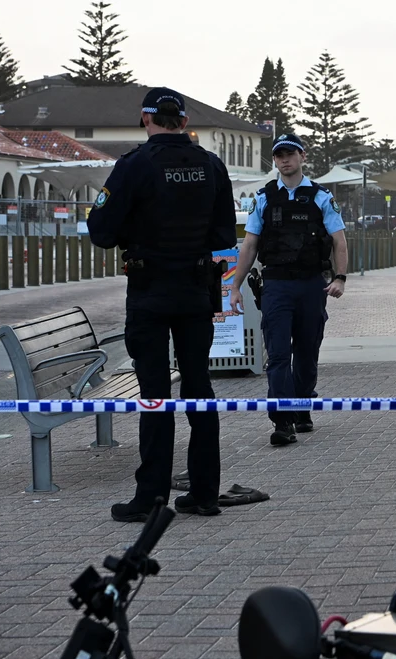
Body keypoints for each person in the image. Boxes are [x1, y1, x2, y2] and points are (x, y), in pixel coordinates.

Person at [87, 87, 235, 522]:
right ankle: (205, 492)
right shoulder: (211, 165)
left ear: (145, 119)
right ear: (184, 122)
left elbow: (100, 230)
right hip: (195, 290)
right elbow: (224, 235)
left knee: (154, 395)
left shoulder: (134, 165)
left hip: (149, 292)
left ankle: (151, 498)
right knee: (199, 389)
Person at [229, 133, 347, 446]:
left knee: (306, 354)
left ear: (302, 157)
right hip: (276, 286)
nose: (284, 160)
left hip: (311, 285)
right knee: (279, 355)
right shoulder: (264, 198)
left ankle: (302, 405)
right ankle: (283, 421)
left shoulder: (321, 197)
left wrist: (339, 278)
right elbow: (250, 244)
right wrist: (235, 286)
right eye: (279, 155)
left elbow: (339, 241)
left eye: (290, 154)